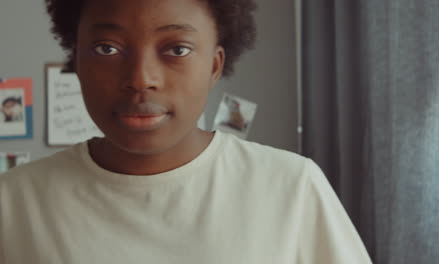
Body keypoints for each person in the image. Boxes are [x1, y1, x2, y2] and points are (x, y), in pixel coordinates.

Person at [0, 0, 372, 263]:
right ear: (76, 60)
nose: (141, 79)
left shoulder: (292, 187)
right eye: (107, 48)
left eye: (176, 49)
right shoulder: (14, 203)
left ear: (214, 66)